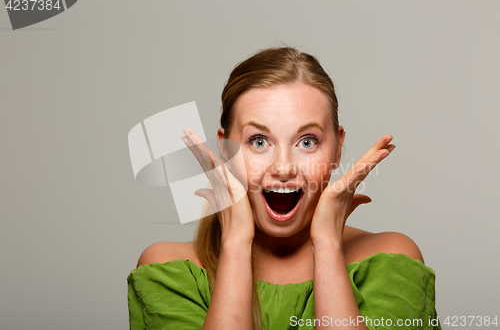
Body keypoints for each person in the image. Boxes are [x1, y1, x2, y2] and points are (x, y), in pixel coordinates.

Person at [127, 46, 441, 330]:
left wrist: (328, 246)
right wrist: (236, 243)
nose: (283, 167)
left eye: (307, 142)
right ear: (225, 149)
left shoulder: (391, 260)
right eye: (259, 142)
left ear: (337, 149)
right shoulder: (168, 269)